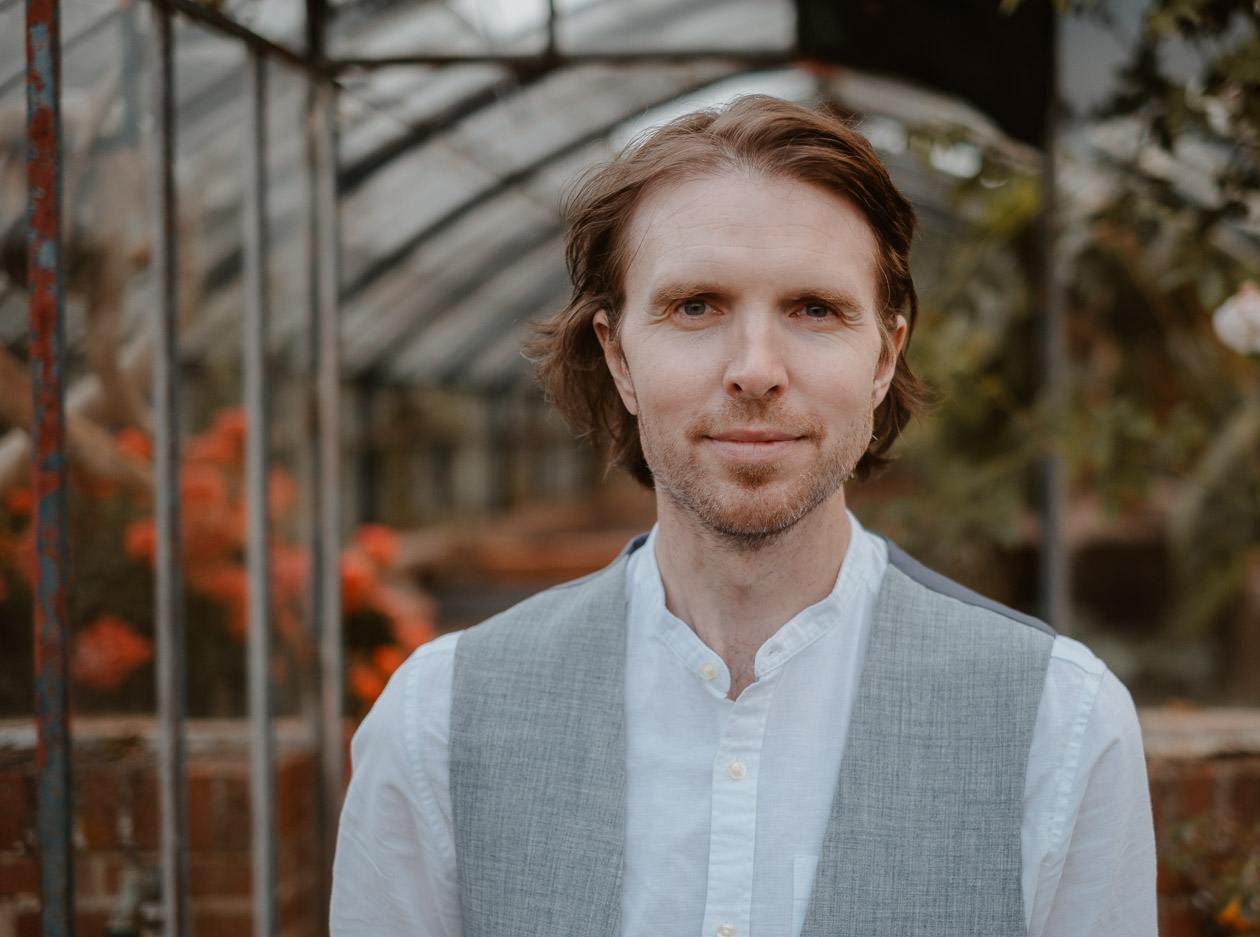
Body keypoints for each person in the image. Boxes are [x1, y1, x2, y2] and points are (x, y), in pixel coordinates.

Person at [330, 95, 1156, 937]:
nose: (756, 370)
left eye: (814, 309)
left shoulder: (1061, 723)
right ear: (618, 357)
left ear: (883, 357)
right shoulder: (436, 722)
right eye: (696, 306)